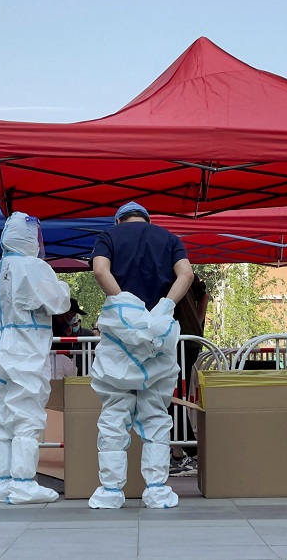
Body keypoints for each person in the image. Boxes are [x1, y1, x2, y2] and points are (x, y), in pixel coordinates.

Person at [89, 201, 194, 509]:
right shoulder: (169, 238)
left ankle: (110, 491)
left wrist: (123, 303)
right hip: (158, 336)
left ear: (119, 221)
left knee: (113, 416)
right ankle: (157, 491)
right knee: (156, 416)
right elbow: (186, 274)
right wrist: (166, 305)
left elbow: (99, 270)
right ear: (147, 219)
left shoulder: (108, 237)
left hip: (118, 338)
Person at [0, 212, 71, 505]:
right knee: (27, 414)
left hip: (0, 344)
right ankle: (23, 484)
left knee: (3, 415)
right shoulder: (33, 267)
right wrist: (63, 288)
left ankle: (2, 482)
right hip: (25, 345)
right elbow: (58, 302)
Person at [170, 273, 210, 477]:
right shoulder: (185, 272)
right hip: (185, 340)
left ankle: (187, 451)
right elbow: (204, 295)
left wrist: (195, 324)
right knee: (171, 396)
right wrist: (196, 325)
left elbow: (204, 296)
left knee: (170, 396)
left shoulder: (169, 271)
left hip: (178, 341)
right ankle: (181, 450)